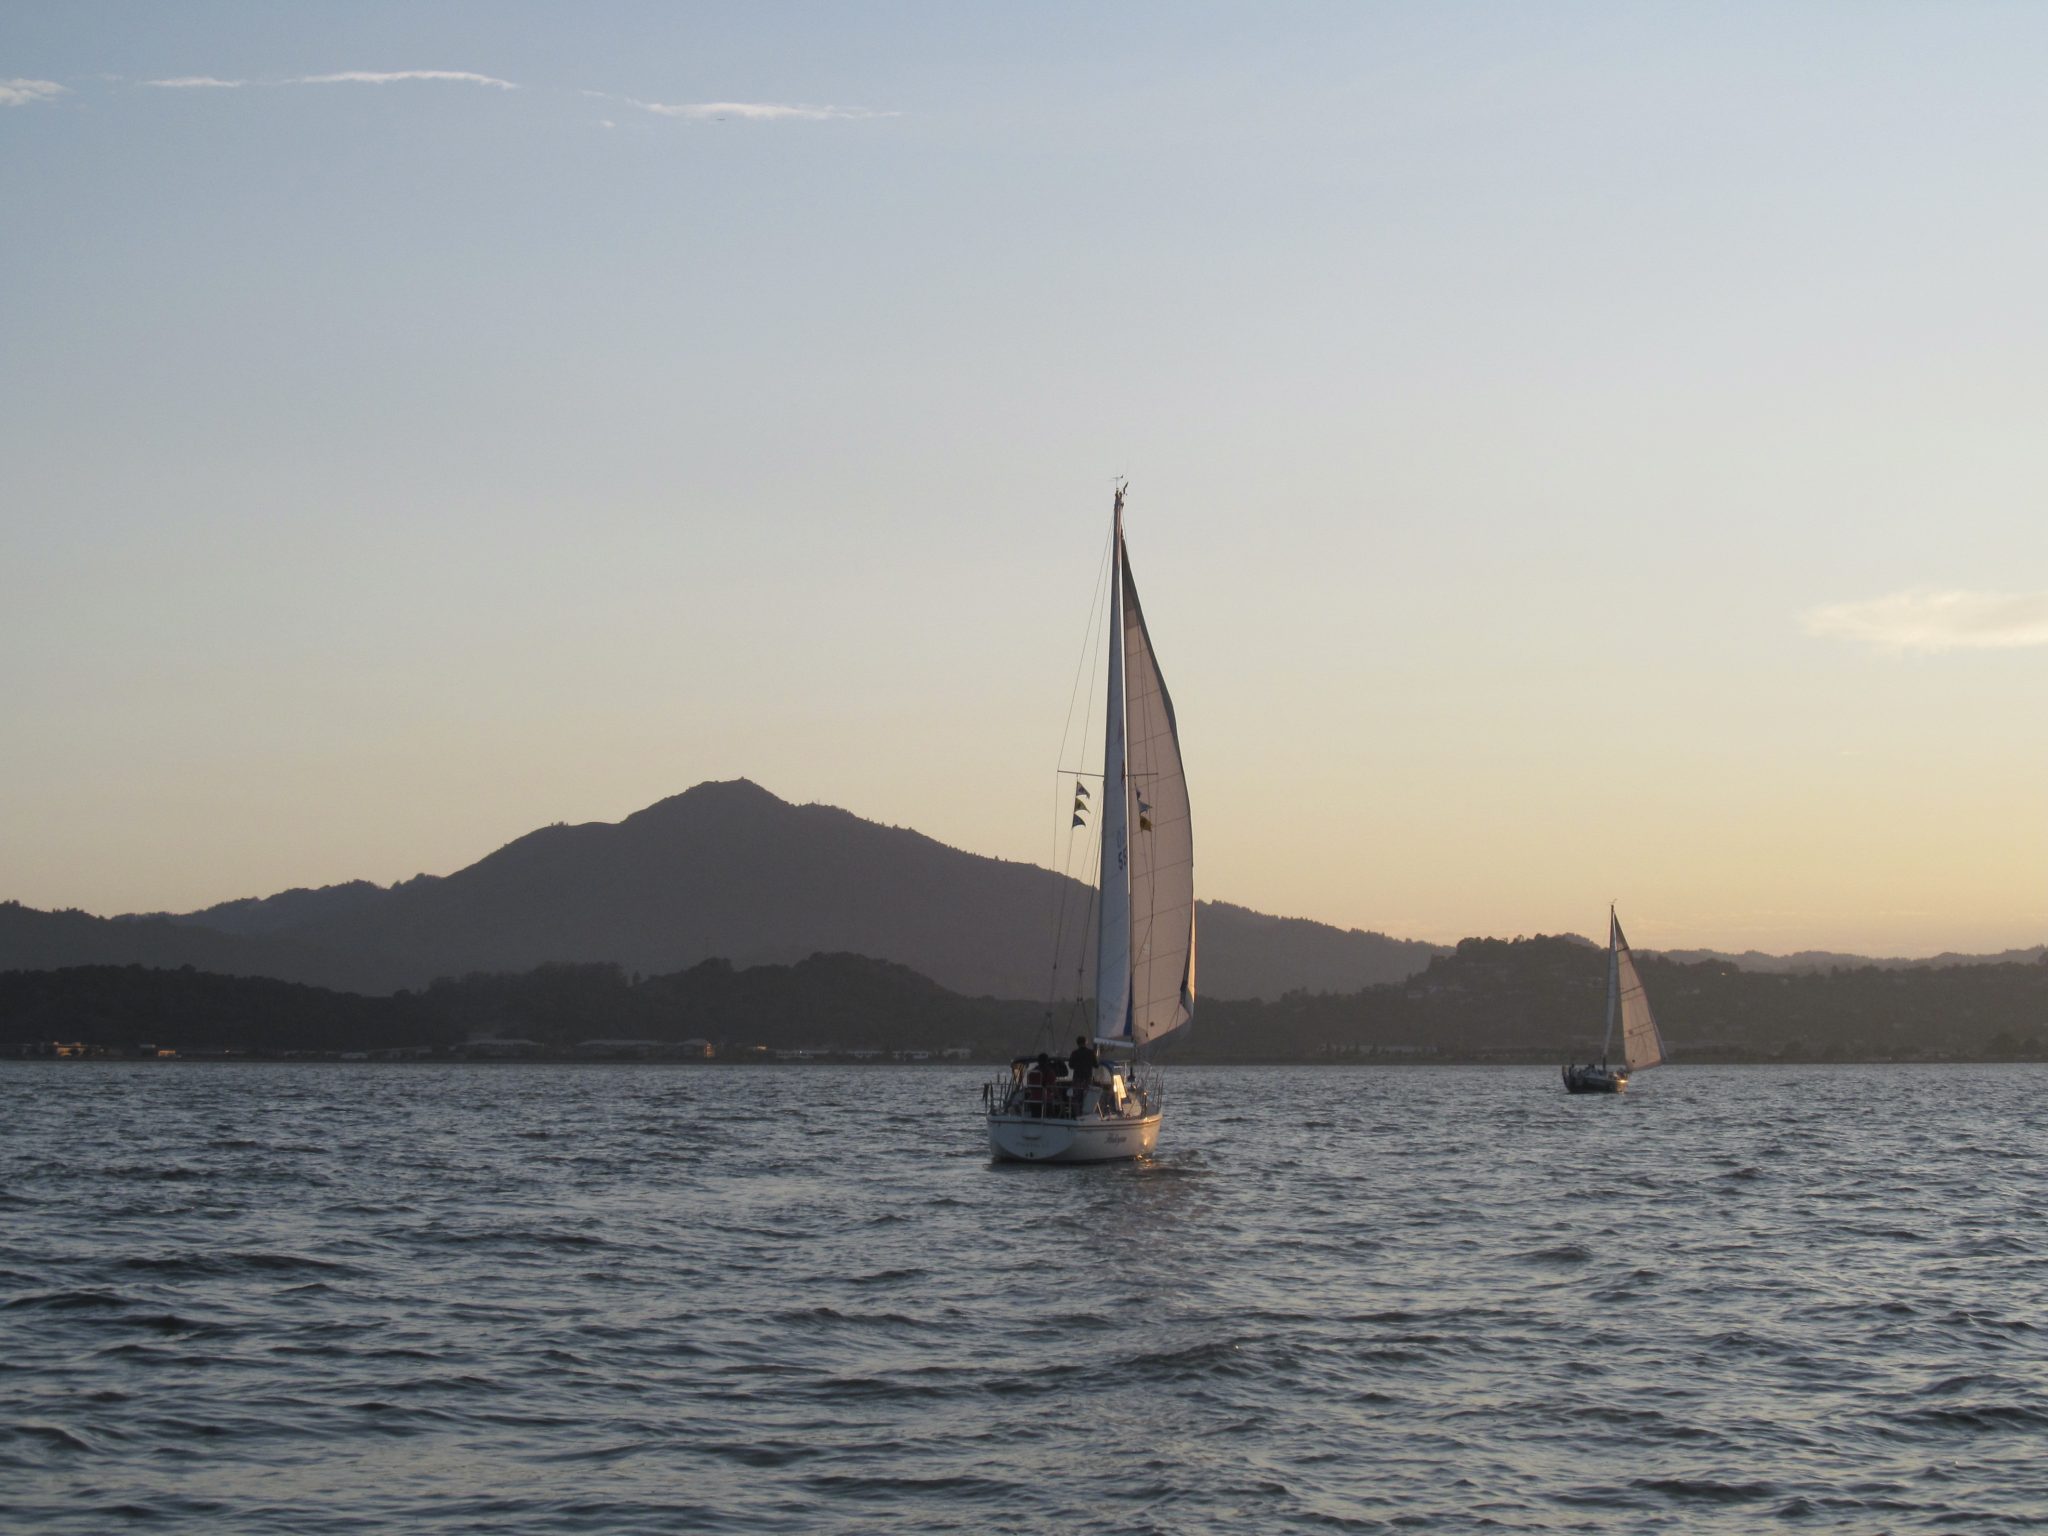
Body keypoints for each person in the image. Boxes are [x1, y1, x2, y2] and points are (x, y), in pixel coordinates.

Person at [1068, 1035, 1098, 1110]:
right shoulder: (1091, 1053)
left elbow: (1071, 1065)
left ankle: (1077, 1113)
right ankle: (1085, 1113)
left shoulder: (1074, 1053)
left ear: (1077, 1043)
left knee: (1076, 1097)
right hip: (1087, 1078)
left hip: (1077, 1078)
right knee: (1087, 1097)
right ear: (1086, 1042)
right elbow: (1096, 1065)